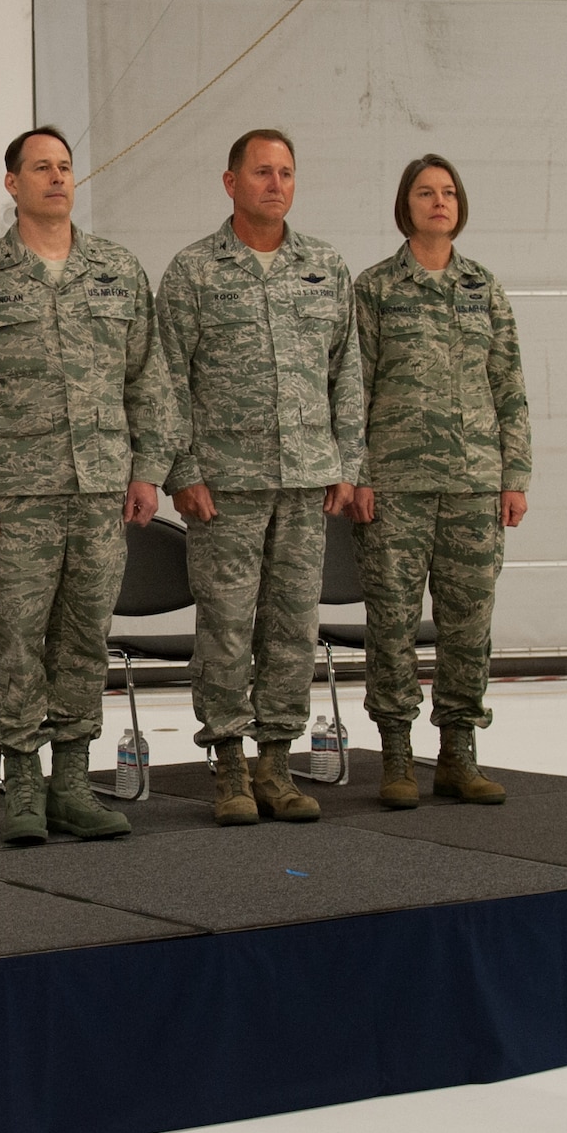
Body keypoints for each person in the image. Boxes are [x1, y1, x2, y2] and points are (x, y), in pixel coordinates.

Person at [0, 126, 178, 845]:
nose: (57, 179)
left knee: (85, 639)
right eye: (41, 168)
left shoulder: (117, 271)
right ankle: (24, 786)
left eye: (65, 167)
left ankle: (73, 783)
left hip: (100, 491)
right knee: (19, 641)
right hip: (15, 499)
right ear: (13, 184)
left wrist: (149, 468)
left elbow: (148, 380)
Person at [157, 129, 363, 825]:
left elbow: (348, 372)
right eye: (262, 172)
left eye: (286, 173)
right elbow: (167, 380)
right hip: (225, 485)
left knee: (293, 626)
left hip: (305, 480)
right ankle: (229, 766)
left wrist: (345, 463)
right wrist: (180, 470)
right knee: (226, 627)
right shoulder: (193, 271)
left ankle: (277, 762)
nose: (275, 184)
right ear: (230, 183)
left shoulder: (324, 267)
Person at [349, 154, 531, 809]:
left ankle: (459, 753)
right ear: (406, 205)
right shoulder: (375, 289)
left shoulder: (483, 287)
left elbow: (508, 384)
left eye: (449, 191)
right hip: (395, 487)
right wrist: (358, 474)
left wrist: (516, 475)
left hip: (474, 486)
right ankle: (396, 757)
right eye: (425, 192)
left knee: (467, 627)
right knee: (392, 625)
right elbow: (355, 389)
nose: (439, 201)